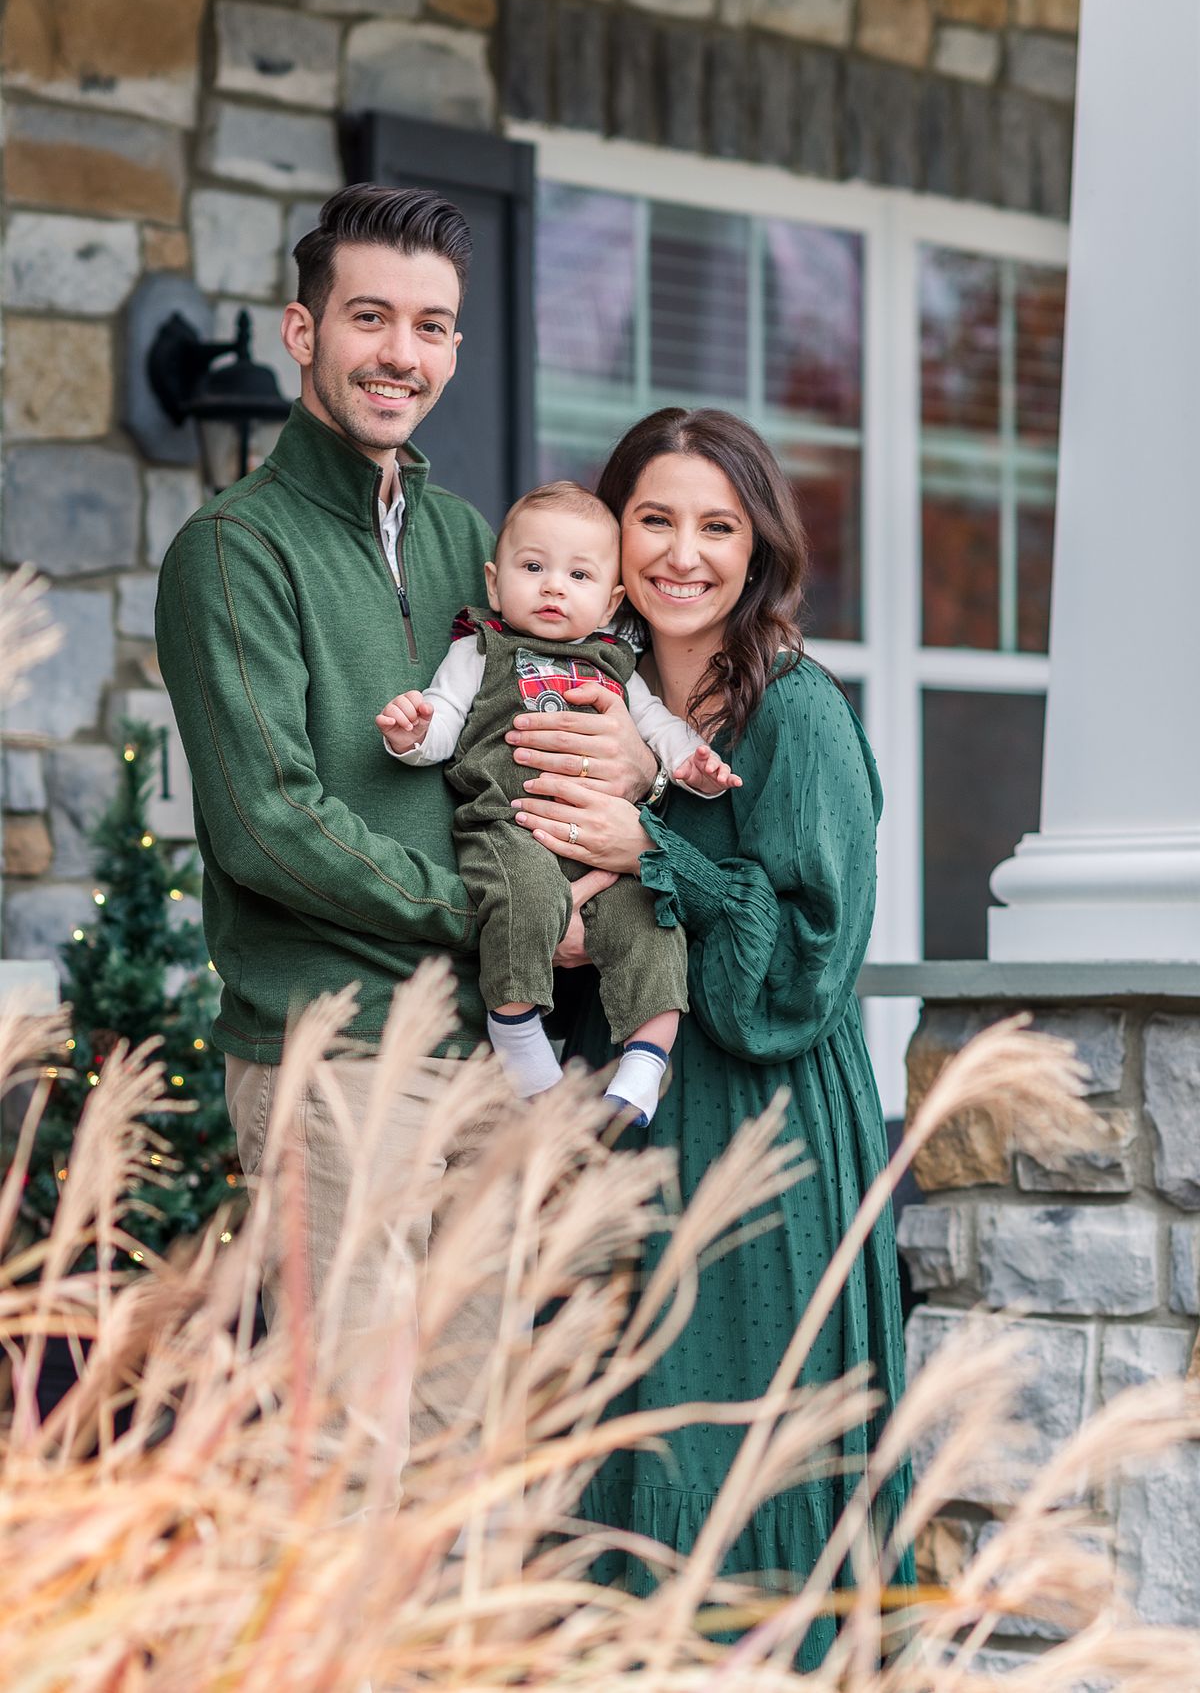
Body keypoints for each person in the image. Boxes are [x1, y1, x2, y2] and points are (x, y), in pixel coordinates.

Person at [153, 184, 649, 1466]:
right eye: (370, 317)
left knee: (464, 1445)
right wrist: (496, 924)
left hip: (486, 1047)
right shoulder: (232, 550)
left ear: (457, 349)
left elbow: (540, 733)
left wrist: (627, 790)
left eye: (431, 326)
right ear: (301, 332)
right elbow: (269, 822)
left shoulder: (474, 541)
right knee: (346, 1447)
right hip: (334, 1057)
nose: (402, 354)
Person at [509, 408, 912, 1662]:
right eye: (655, 520)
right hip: (617, 1125)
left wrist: (656, 848)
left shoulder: (796, 713)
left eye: (717, 527)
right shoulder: (579, 691)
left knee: (740, 1452)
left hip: (763, 1130)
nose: (684, 554)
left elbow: (804, 969)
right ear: (611, 533)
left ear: (758, 549)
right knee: (611, 1455)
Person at [374, 479, 741, 1124]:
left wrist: (692, 763)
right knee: (523, 899)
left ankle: (646, 1061)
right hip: (507, 827)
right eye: (533, 567)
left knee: (650, 915)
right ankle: (518, 1035)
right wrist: (413, 733)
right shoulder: (477, 651)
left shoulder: (615, 665)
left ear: (610, 601)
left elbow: (658, 727)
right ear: (495, 584)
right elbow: (445, 720)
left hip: (598, 842)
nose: (553, 587)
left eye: (578, 574)